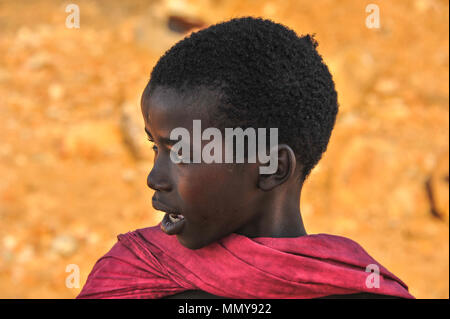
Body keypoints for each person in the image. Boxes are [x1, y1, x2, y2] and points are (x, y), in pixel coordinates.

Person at [77, 17, 413, 299]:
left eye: (181, 152)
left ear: (272, 168)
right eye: (156, 147)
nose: (154, 178)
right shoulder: (134, 274)